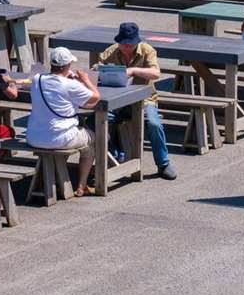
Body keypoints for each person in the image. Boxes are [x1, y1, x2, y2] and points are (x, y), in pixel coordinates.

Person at [97, 22, 176, 180]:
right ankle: (112, 157)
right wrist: (99, 70)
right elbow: (97, 69)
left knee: (154, 124)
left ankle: (163, 163)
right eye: (122, 43)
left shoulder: (147, 50)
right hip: (117, 101)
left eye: (129, 44)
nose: (125, 47)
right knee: (96, 121)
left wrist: (133, 70)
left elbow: (156, 73)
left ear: (136, 42)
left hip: (144, 100)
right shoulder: (110, 51)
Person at [26, 47, 99, 196]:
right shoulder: (70, 85)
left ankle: (55, 176)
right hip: (60, 138)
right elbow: (95, 97)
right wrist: (85, 80)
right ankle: (82, 185)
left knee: (68, 133)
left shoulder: (37, 80)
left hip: (34, 137)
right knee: (92, 138)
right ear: (67, 66)